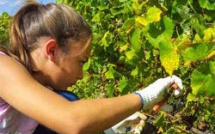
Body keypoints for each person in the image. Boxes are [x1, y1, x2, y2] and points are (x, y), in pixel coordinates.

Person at [0, 1, 183, 134]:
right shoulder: (2, 66)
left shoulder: (36, 90)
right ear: (52, 50)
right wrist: (145, 97)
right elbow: (72, 120)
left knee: (66, 102)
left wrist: (107, 124)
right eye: (81, 61)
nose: (81, 75)